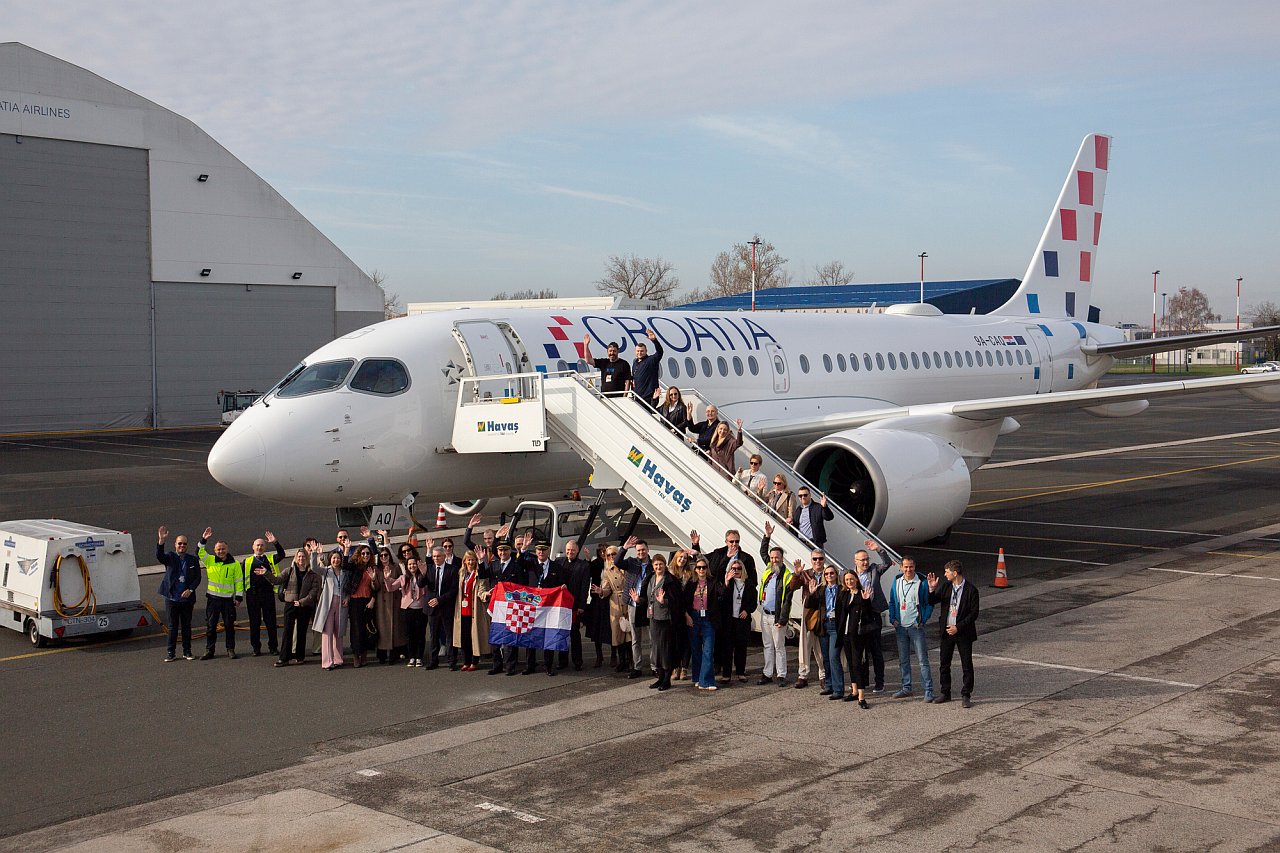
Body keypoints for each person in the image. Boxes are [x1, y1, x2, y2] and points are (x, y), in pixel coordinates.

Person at [927, 560, 980, 707]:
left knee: (966, 664)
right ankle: (945, 692)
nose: (944, 574)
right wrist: (931, 589)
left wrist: (958, 627)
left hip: (963, 632)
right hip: (947, 631)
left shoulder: (971, 590)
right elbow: (932, 601)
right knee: (944, 663)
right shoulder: (946, 587)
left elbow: (973, 614)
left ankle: (966, 694)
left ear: (954, 573)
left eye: (947, 572)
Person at [889, 555, 935, 702]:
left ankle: (928, 690)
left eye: (911, 567)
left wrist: (923, 620)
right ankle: (906, 687)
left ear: (915, 567)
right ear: (901, 567)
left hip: (916, 627)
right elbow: (892, 601)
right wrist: (893, 619)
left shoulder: (921, 583)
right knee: (903, 660)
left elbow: (929, 604)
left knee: (923, 660)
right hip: (901, 627)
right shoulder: (897, 582)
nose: (908, 569)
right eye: (906, 567)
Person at [197, 527, 244, 660]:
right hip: (213, 600)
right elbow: (199, 552)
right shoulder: (210, 560)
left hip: (228, 601)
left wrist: (239, 597)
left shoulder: (234, 564)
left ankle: (230, 649)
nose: (221, 551)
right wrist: (204, 539)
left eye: (223, 549)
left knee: (229, 626)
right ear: (214, 550)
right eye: (218, 549)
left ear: (227, 549)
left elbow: (239, 581)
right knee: (211, 627)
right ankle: (209, 650)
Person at [521, 541, 568, 676]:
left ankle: (548, 665)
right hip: (533, 606)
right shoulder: (531, 564)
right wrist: (523, 550)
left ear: (548, 551)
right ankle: (530, 665)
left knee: (548, 635)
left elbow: (561, 582)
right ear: (536, 551)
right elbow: (518, 564)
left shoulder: (556, 567)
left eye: (543, 550)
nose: (541, 552)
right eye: (538, 550)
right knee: (531, 635)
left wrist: (562, 587)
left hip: (548, 607)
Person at [756, 529, 795, 686]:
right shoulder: (769, 570)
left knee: (779, 647)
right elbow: (762, 552)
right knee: (767, 645)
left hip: (777, 617)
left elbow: (787, 600)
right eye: (772, 558)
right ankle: (767, 673)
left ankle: (781, 675)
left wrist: (783, 619)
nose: (773, 560)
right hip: (765, 614)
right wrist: (767, 536)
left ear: (782, 558)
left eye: (776, 558)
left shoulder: (787, 575)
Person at [156, 526, 200, 662]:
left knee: (186, 626)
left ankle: (187, 651)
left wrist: (191, 589)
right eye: (179, 543)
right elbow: (159, 556)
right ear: (175, 544)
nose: (182, 546)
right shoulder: (170, 557)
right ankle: (171, 652)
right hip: (172, 598)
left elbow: (197, 577)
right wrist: (161, 541)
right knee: (172, 626)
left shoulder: (192, 560)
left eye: (184, 544)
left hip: (187, 599)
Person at [854, 543, 894, 693]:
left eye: (866, 559)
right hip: (859, 616)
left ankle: (880, 682)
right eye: (862, 560)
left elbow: (888, 563)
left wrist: (878, 549)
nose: (865, 562)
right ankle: (864, 680)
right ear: (855, 561)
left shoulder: (874, 570)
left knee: (876, 650)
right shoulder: (850, 575)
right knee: (861, 651)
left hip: (873, 614)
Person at [276, 545, 322, 666]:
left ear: (306, 559)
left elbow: (314, 591)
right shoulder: (289, 571)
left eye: (303, 557)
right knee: (287, 631)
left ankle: (300, 656)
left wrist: (302, 601)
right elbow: (276, 580)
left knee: (302, 631)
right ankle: (284, 658)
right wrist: (266, 573)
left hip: (304, 606)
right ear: (296, 558)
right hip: (290, 604)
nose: (301, 559)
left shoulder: (312, 574)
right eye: (299, 557)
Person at [242, 531, 285, 658]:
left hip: (267, 595)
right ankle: (256, 648)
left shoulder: (270, 559)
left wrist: (275, 543)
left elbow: (282, 554)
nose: (259, 547)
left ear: (265, 547)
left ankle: (273, 647)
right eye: (257, 545)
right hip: (253, 595)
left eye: (261, 545)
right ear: (253, 547)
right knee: (254, 623)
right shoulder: (247, 561)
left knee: (271, 622)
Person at [789, 546, 827, 690]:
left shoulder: (829, 574)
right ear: (811, 560)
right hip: (809, 612)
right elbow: (792, 587)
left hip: (823, 612)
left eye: (820, 559)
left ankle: (823, 675)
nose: (817, 561)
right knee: (805, 644)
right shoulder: (806, 574)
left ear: (824, 560)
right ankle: (803, 675)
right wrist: (797, 574)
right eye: (815, 559)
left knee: (821, 646)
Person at [806, 564, 846, 700]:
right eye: (827, 574)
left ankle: (839, 689)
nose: (829, 576)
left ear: (836, 575)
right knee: (826, 658)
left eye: (832, 573)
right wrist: (811, 593)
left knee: (834, 657)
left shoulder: (842, 589)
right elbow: (809, 605)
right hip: (824, 625)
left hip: (836, 626)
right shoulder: (821, 589)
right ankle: (829, 685)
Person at [644, 553, 683, 691]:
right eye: (656, 564)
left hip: (666, 620)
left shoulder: (671, 580)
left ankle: (667, 679)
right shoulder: (651, 578)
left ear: (665, 565)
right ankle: (659, 677)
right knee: (656, 649)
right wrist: (638, 600)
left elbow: (678, 601)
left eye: (660, 564)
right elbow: (647, 597)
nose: (658, 567)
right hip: (653, 618)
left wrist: (664, 601)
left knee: (666, 650)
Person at [683, 557, 721, 691]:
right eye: (699, 567)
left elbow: (722, 594)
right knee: (696, 649)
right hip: (694, 617)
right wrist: (687, 616)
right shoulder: (691, 583)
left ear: (707, 569)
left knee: (708, 650)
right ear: (695, 569)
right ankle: (698, 678)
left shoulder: (713, 581)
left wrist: (727, 582)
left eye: (704, 567)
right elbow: (684, 601)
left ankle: (707, 681)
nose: (701, 570)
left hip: (708, 619)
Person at [838, 569, 874, 708]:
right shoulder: (844, 594)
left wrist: (865, 602)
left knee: (857, 664)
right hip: (846, 634)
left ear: (856, 579)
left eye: (851, 579)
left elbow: (867, 615)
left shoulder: (861, 594)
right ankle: (853, 691)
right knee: (851, 663)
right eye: (847, 580)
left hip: (857, 635)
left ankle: (861, 696)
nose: (849, 582)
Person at [717, 558, 757, 684]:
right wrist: (726, 582)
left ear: (743, 570)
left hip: (742, 620)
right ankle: (726, 674)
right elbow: (721, 598)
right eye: (733, 569)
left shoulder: (749, 584)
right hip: (729, 620)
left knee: (741, 647)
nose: (736, 571)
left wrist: (747, 610)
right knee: (727, 648)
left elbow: (753, 603)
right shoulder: (728, 584)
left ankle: (740, 672)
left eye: (739, 569)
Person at [594, 545, 632, 673]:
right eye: (608, 555)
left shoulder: (626, 566)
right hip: (615, 604)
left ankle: (631, 661)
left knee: (630, 633)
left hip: (628, 601)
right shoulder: (607, 571)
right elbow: (606, 588)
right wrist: (601, 591)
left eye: (613, 554)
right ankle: (622, 661)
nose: (611, 557)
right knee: (618, 633)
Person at [618, 537, 653, 679]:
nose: (641, 552)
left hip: (648, 605)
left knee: (653, 638)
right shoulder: (631, 562)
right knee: (635, 639)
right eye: (638, 550)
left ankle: (654, 666)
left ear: (648, 550)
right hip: (633, 605)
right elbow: (617, 562)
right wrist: (624, 548)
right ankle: (637, 667)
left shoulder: (653, 564)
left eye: (643, 550)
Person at [558, 539, 592, 671]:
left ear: (577, 551)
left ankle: (578, 661)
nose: (569, 552)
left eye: (572, 550)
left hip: (574, 605)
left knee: (575, 635)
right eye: (568, 550)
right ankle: (562, 661)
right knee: (561, 634)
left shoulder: (583, 566)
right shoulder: (559, 562)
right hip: (561, 606)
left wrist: (582, 606)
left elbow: (585, 587)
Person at [452, 550, 490, 671]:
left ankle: (474, 661)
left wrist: (485, 595)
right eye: (468, 560)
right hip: (462, 610)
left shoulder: (478, 574)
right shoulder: (461, 574)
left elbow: (482, 588)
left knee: (474, 636)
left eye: (473, 559)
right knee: (464, 637)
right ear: (464, 561)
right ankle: (466, 661)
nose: (470, 562)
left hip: (474, 609)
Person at [313, 550, 347, 670]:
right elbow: (314, 567)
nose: (336, 560)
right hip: (328, 603)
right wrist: (315, 554)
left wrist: (347, 598)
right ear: (330, 559)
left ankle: (338, 659)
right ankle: (327, 662)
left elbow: (347, 588)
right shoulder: (326, 571)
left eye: (338, 558)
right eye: (333, 558)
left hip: (341, 604)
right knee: (327, 632)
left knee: (338, 632)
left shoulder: (344, 572)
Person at [371, 547, 407, 664]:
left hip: (395, 600)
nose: (384, 558)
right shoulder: (376, 569)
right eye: (381, 556)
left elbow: (402, 582)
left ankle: (394, 653)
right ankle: (381, 653)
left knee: (395, 627)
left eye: (386, 555)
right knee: (382, 628)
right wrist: (373, 580)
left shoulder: (395, 567)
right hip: (381, 602)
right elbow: (375, 587)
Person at [692, 528, 757, 588]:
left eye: (737, 541)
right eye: (731, 541)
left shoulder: (747, 558)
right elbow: (700, 561)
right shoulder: (718, 553)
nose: (734, 544)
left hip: (738, 592)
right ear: (726, 542)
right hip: (719, 591)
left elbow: (753, 580)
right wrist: (695, 545)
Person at [584, 543, 613, 668]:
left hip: (610, 600)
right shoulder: (595, 564)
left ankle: (613, 656)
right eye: (600, 551)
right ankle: (599, 656)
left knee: (611, 629)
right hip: (596, 600)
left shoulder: (612, 564)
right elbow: (588, 572)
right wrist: (588, 560)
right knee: (596, 629)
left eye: (604, 551)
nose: (602, 553)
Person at [668, 548, 694, 680]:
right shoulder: (669, 573)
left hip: (687, 610)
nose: (682, 559)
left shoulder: (689, 575)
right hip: (674, 612)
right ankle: (675, 667)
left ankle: (684, 668)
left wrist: (696, 550)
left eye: (685, 558)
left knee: (686, 641)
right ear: (676, 557)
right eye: (680, 557)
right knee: (675, 641)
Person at [400, 555, 428, 667]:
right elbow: (390, 587)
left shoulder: (423, 576)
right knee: (410, 634)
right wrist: (387, 579)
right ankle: (412, 657)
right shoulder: (404, 577)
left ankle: (419, 657)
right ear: (407, 566)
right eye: (410, 564)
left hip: (421, 609)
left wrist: (424, 572)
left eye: (414, 564)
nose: (412, 566)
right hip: (408, 609)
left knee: (420, 634)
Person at [629, 328, 665, 408]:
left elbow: (660, 352)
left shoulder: (651, 360)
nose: (640, 353)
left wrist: (654, 340)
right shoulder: (635, 362)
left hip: (649, 397)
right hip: (637, 397)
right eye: (638, 351)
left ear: (646, 351)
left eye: (642, 351)